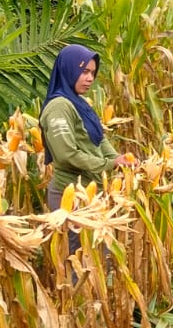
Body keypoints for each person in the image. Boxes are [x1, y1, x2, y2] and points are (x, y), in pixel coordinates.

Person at [40, 44, 125, 212]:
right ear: (68, 70)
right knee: (76, 240)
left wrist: (119, 159)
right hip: (70, 196)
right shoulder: (59, 107)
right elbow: (66, 155)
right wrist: (109, 164)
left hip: (90, 194)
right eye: (84, 71)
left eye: (93, 73)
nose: (90, 78)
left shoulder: (78, 103)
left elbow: (99, 139)